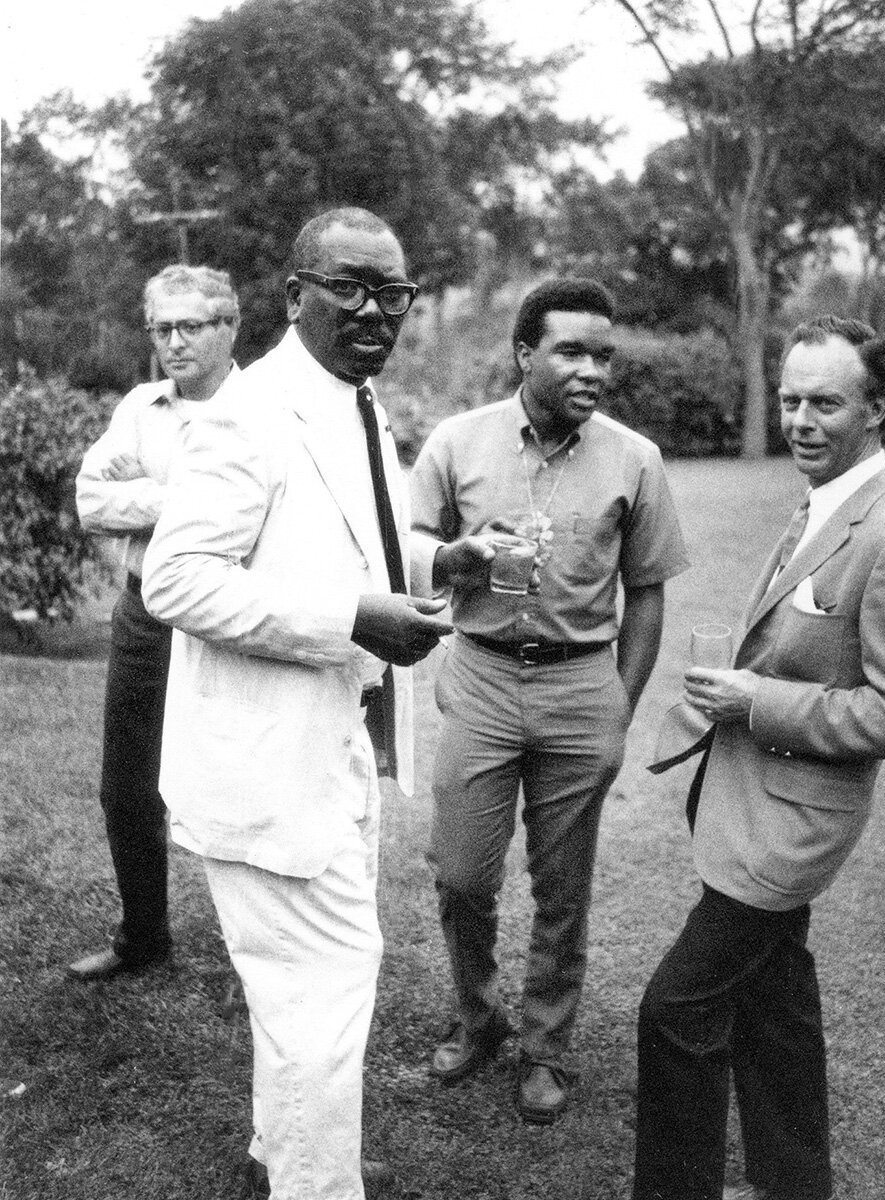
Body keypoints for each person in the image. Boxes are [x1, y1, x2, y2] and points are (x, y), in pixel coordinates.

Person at [141, 208, 451, 1200]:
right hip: (264, 767)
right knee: (325, 995)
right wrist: (349, 622)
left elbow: (348, 546)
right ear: (294, 295)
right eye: (348, 286)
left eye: (390, 292)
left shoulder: (354, 402)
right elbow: (177, 582)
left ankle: (282, 1155)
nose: (372, 310)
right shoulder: (251, 408)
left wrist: (446, 562)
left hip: (331, 752)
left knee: (306, 997)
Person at [634, 316, 885, 1200]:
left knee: (676, 1011)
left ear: (878, 408)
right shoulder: (823, 501)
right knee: (776, 1001)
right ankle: (796, 1182)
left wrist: (760, 702)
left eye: (825, 402)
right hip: (749, 800)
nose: (799, 420)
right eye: (790, 399)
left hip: (792, 825)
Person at [409, 277, 689, 1123]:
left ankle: (547, 1046)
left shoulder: (634, 458)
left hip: (579, 685)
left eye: (604, 354)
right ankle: (479, 1012)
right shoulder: (457, 443)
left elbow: (646, 592)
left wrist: (620, 704)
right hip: (483, 673)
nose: (592, 369)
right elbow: (411, 542)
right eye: (572, 350)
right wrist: (452, 556)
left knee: (564, 886)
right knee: (461, 877)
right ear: (525, 353)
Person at [69, 264, 240, 981]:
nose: (174, 342)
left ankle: (249, 959)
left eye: (190, 327)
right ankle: (143, 937)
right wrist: (181, 500)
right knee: (128, 784)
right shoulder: (143, 408)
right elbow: (89, 499)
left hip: (234, 618)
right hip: (147, 616)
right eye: (161, 329)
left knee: (238, 785)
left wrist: (146, 500)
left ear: (230, 328)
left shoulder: (262, 410)